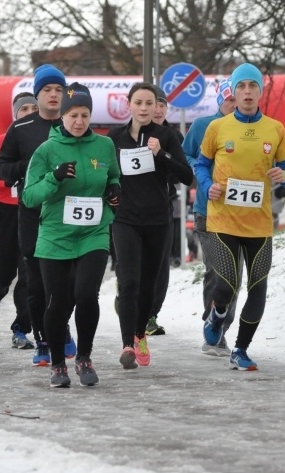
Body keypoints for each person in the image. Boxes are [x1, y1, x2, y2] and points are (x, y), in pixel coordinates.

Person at [196, 63, 285, 371]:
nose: (248, 92)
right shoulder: (217, 128)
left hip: (259, 222)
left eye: (253, 86)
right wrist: (208, 185)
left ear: (260, 92)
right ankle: (218, 313)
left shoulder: (275, 129)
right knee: (227, 284)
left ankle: (241, 348)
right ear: (234, 93)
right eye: (242, 87)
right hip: (223, 218)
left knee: (259, 286)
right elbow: (200, 165)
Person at [23, 83, 121, 387]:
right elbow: (29, 196)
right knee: (58, 302)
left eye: (84, 114)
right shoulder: (47, 150)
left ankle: (84, 357)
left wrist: (115, 191)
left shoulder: (104, 146)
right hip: (55, 235)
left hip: (93, 232)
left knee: (86, 294)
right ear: (61, 118)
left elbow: (113, 177)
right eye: (73, 115)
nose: (79, 122)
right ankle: (57, 364)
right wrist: (53, 178)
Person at [0, 64, 77, 367]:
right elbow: (1, 170)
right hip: (32, 213)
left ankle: (61, 327)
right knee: (35, 281)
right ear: (37, 93)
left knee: (66, 282)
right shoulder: (20, 129)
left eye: (58, 90)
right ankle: (43, 340)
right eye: (47, 90)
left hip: (67, 215)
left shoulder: (74, 125)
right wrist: (31, 165)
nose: (53, 95)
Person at [107, 82, 193, 369]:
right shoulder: (115, 137)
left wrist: (162, 155)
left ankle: (140, 332)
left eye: (150, 103)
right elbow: (107, 174)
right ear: (128, 105)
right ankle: (127, 344)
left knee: (149, 285)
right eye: (139, 103)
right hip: (125, 219)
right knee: (128, 280)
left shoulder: (166, 136)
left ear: (157, 106)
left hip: (158, 220)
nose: (144, 108)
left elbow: (185, 175)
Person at [0, 92, 39, 351]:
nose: (28, 112)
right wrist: (2, 182)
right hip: (6, 211)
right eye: (23, 108)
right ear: (15, 115)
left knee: (29, 275)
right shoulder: (2, 141)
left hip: (35, 211)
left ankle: (21, 329)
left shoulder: (46, 141)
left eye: (32, 108)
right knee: (4, 269)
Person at [183, 77, 239, 356]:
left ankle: (222, 329)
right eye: (230, 100)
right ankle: (213, 332)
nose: (235, 105)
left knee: (235, 276)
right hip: (208, 210)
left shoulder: (255, 128)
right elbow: (186, 155)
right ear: (221, 101)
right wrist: (205, 178)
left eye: (238, 99)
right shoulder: (204, 126)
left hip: (243, 214)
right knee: (218, 272)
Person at [145, 86, 185, 337]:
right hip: (132, 209)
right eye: (154, 104)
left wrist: (164, 156)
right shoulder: (131, 133)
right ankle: (127, 296)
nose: (158, 109)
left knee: (160, 265)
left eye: (162, 105)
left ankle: (151, 314)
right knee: (136, 264)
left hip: (163, 205)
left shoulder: (174, 136)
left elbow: (183, 172)